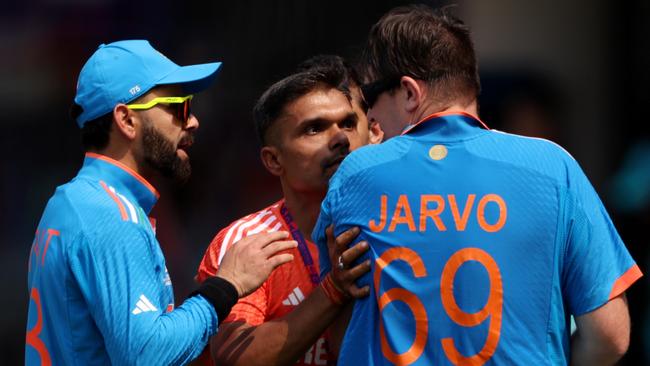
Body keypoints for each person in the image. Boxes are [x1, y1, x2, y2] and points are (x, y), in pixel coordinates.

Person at [312, 5, 642, 365]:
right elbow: (610, 334)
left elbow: (341, 327)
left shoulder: (356, 174)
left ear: (409, 93)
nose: (368, 117)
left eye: (369, 98)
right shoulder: (553, 167)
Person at [25, 40, 297, 365]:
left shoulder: (71, 201)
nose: (193, 121)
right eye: (178, 107)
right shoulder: (110, 214)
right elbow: (148, 356)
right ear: (126, 120)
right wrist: (227, 285)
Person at [195, 55, 383, 365]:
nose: (339, 138)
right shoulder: (250, 242)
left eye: (348, 123)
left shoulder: (402, 222)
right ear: (273, 160)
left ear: (372, 133)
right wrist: (333, 290)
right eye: (314, 129)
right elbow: (236, 358)